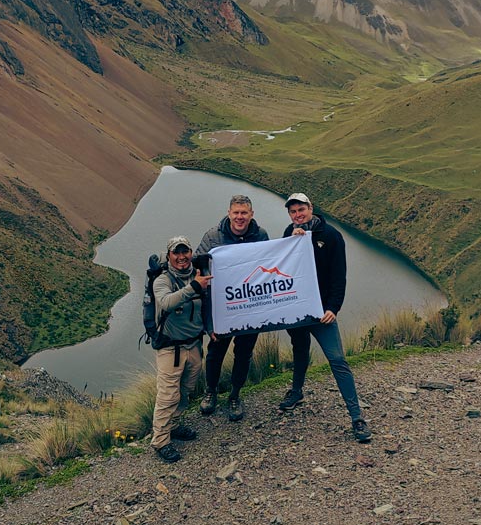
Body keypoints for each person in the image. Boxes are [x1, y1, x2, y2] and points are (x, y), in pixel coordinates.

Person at [278, 193, 372, 443]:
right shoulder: (290, 231)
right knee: (299, 350)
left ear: (311, 208)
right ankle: (296, 391)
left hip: (321, 313)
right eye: (293, 212)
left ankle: (356, 417)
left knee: (337, 359)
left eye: (301, 210)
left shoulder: (331, 236)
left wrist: (334, 307)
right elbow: (283, 270)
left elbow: (339, 275)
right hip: (298, 310)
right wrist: (291, 242)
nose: (297, 215)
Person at [196, 195, 269, 422]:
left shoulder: (261, 235)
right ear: (229, 213)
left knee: (244, 353)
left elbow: (273, 263)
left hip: (250, 307)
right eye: (236, 213)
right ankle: (211, 391)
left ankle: (235, 395)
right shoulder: (213, 236)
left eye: (244, 213)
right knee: (216, 352)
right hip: (222, 309)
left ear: (251, 214)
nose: (240, 217)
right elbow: (198, 265)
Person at [151, 236, 212, 463]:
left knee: (185, 390)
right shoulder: (162, 280)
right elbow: (166, 302)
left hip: (194, 345)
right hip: (170, 349)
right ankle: (160, 440)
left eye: (185, 251)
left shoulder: (199, 274)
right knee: (168, 395)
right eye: (176, 253)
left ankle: (174, 426)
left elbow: (206, 306)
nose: (181, 257)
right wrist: (194, 287)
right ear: (168, 256)